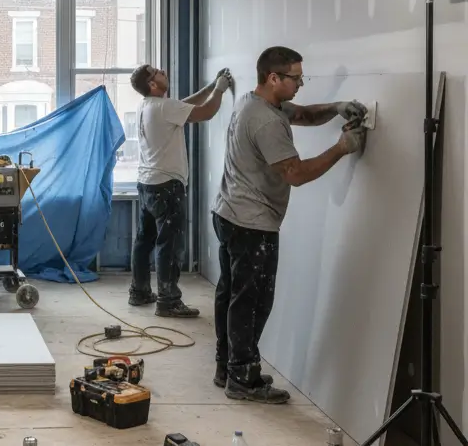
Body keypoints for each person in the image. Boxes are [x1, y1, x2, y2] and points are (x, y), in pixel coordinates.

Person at [212, 46, 367, 404]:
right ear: (273, 78)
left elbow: (302, 114)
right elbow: (295, 174)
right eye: (296, 78)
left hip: (229, 213)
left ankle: (229, 366)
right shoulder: (266, 122)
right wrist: (342, 147)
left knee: (232, 296)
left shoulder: (258, 103)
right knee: (252, 302)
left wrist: (335, 107)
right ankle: (243, 379)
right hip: (252, 224)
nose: (301, 83)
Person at [127, 65, 234, 318]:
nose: (163, 71)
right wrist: (220, 90)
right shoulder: (164, 108)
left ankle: (139, 291)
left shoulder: (148, 105)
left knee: (144, 241)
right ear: (153, 85)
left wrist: (209, 88)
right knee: (169, 244)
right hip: (167, 186)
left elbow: (184, 105)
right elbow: (205, 112)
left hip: (147, 183)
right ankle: (168, 300)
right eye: (157, 72)